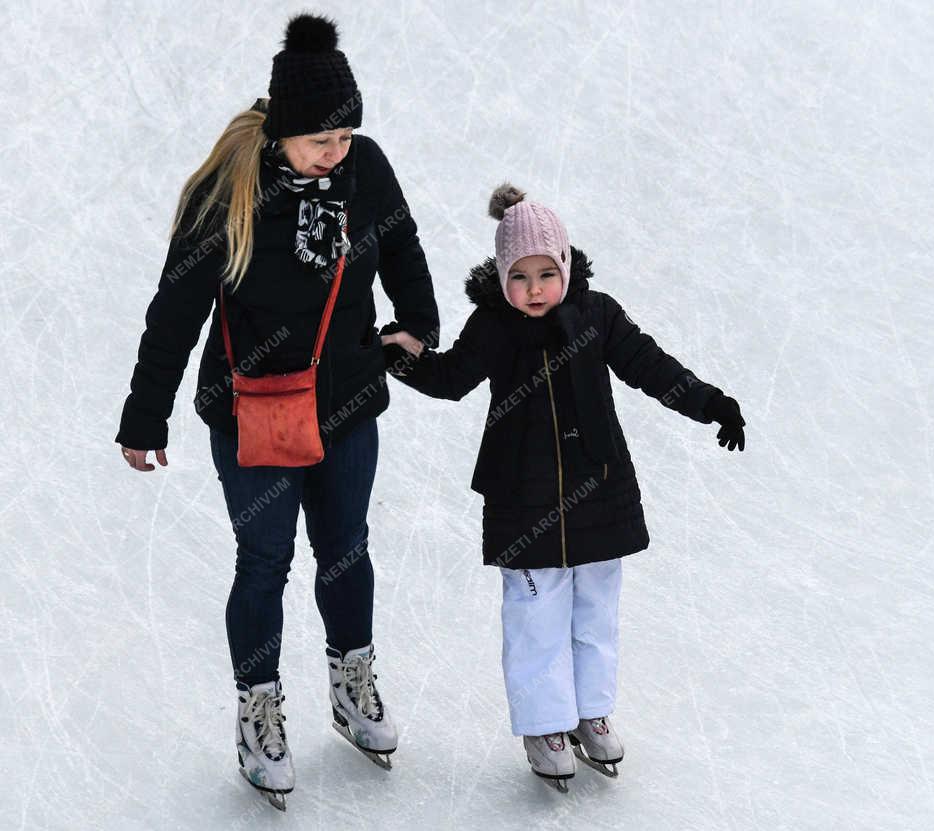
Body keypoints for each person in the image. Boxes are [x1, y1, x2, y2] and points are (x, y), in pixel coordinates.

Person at [115, 13, 438, 808]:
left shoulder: (366, 169)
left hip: (348, 398)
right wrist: (144, 414)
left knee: (346, 548)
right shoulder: (228, 194)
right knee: (264, 561)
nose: (338, 151)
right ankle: (258, 708)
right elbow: (174, 311)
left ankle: (350, 681)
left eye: (347, 135)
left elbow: (400, 244)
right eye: (321, 140)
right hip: (253, 409)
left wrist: (420, 321)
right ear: (285, 134)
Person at [382, 184, 746, 791]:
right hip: (522, 498)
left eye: (546, 273)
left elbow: (650, 368)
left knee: (595, 610)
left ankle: (590, 712)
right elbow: (452, 379)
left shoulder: (597, 315)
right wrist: (397, 357)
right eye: (519, 277)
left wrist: (713, 405)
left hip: (598, 487)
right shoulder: (494, 326)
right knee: (535, 613)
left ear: (567, 267)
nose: (533, 289)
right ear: (501, 279)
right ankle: (544, 724)